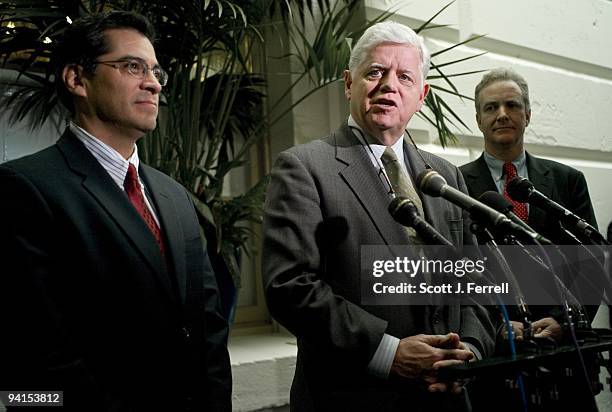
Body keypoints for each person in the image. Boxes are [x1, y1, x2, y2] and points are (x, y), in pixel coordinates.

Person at [0, 11, 231, 411]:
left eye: (157, 71)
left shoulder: (175, 197)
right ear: (77, 79)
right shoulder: (24, 188)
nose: (154, 83)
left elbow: (207, 327)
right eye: (132, 66)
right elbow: (39, 353)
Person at [262, 21, 495, 411]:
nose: (389, 84)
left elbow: (476, 280)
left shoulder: (445, 176)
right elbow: (289, 286)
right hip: (356, 396)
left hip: (448, 397)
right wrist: (389, 352)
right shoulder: (304, 166)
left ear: (421, 95)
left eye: (404, 76)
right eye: (375, 72)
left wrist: (468, 350)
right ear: (349, 83)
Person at [460, 68, 600, 411]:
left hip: (565, 358)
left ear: (528, 115)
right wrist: (495, 327)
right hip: (496, 362)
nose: (502, 114)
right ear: (478, 119)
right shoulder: (457, 185)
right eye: (491, 108)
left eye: (512, 105)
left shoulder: (567, 181)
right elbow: (458, 272)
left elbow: (593, 264)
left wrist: (561, 320)